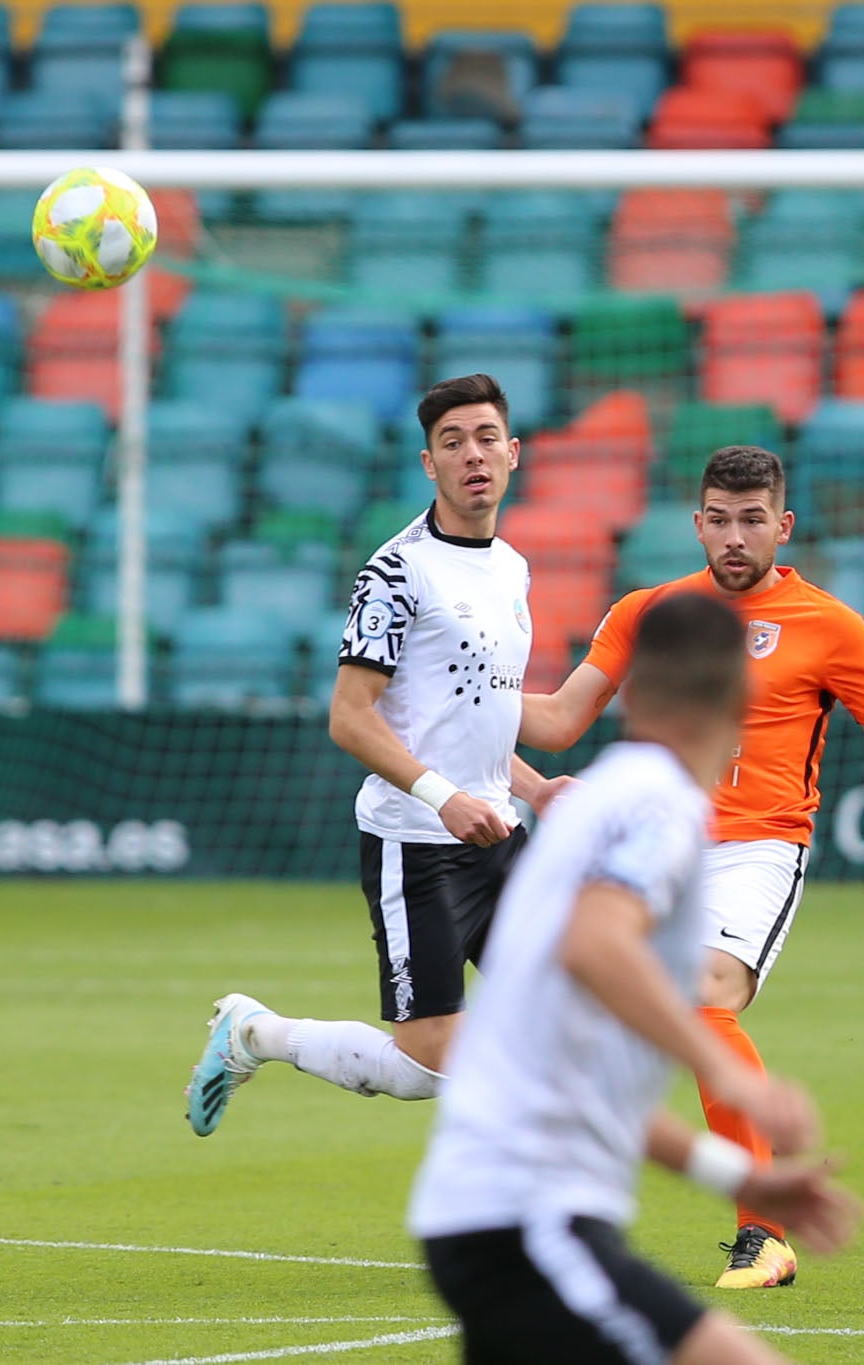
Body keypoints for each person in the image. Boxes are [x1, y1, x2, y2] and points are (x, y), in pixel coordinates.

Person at [519, 444, 864, 1290]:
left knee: (706, 992)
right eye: (721, 518)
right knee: (579, 1020)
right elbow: (562, 720)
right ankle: (559, 1215)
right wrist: (459, 697)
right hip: (653, 844)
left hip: (757, 848)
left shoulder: (830, 624)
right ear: (698, 522)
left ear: (782, 525)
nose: (737, 536)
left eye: (754, 520)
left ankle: (765, 1232)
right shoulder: (652, 610)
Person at [411, 592, 862, 1365]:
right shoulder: (659, 805)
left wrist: (742, 1174)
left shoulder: (594, 805)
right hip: (527, 1222)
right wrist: (731, 1073)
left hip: (490, 1215)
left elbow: (590, 1087)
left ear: (632, 693)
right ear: (741, 702)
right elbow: (597, 943)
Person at [187, 373, 572, 1136]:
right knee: (427, 1066)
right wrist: (444, 797)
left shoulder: (512, 568)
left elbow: (469, 710)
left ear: (515, 453)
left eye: (487, 438)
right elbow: (351, 717)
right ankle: (254, 1034)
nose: (473, 455)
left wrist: (530, 786)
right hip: (417, 847)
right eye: (452, 442)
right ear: (429, 464)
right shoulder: (397, 571)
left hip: (497, 833)